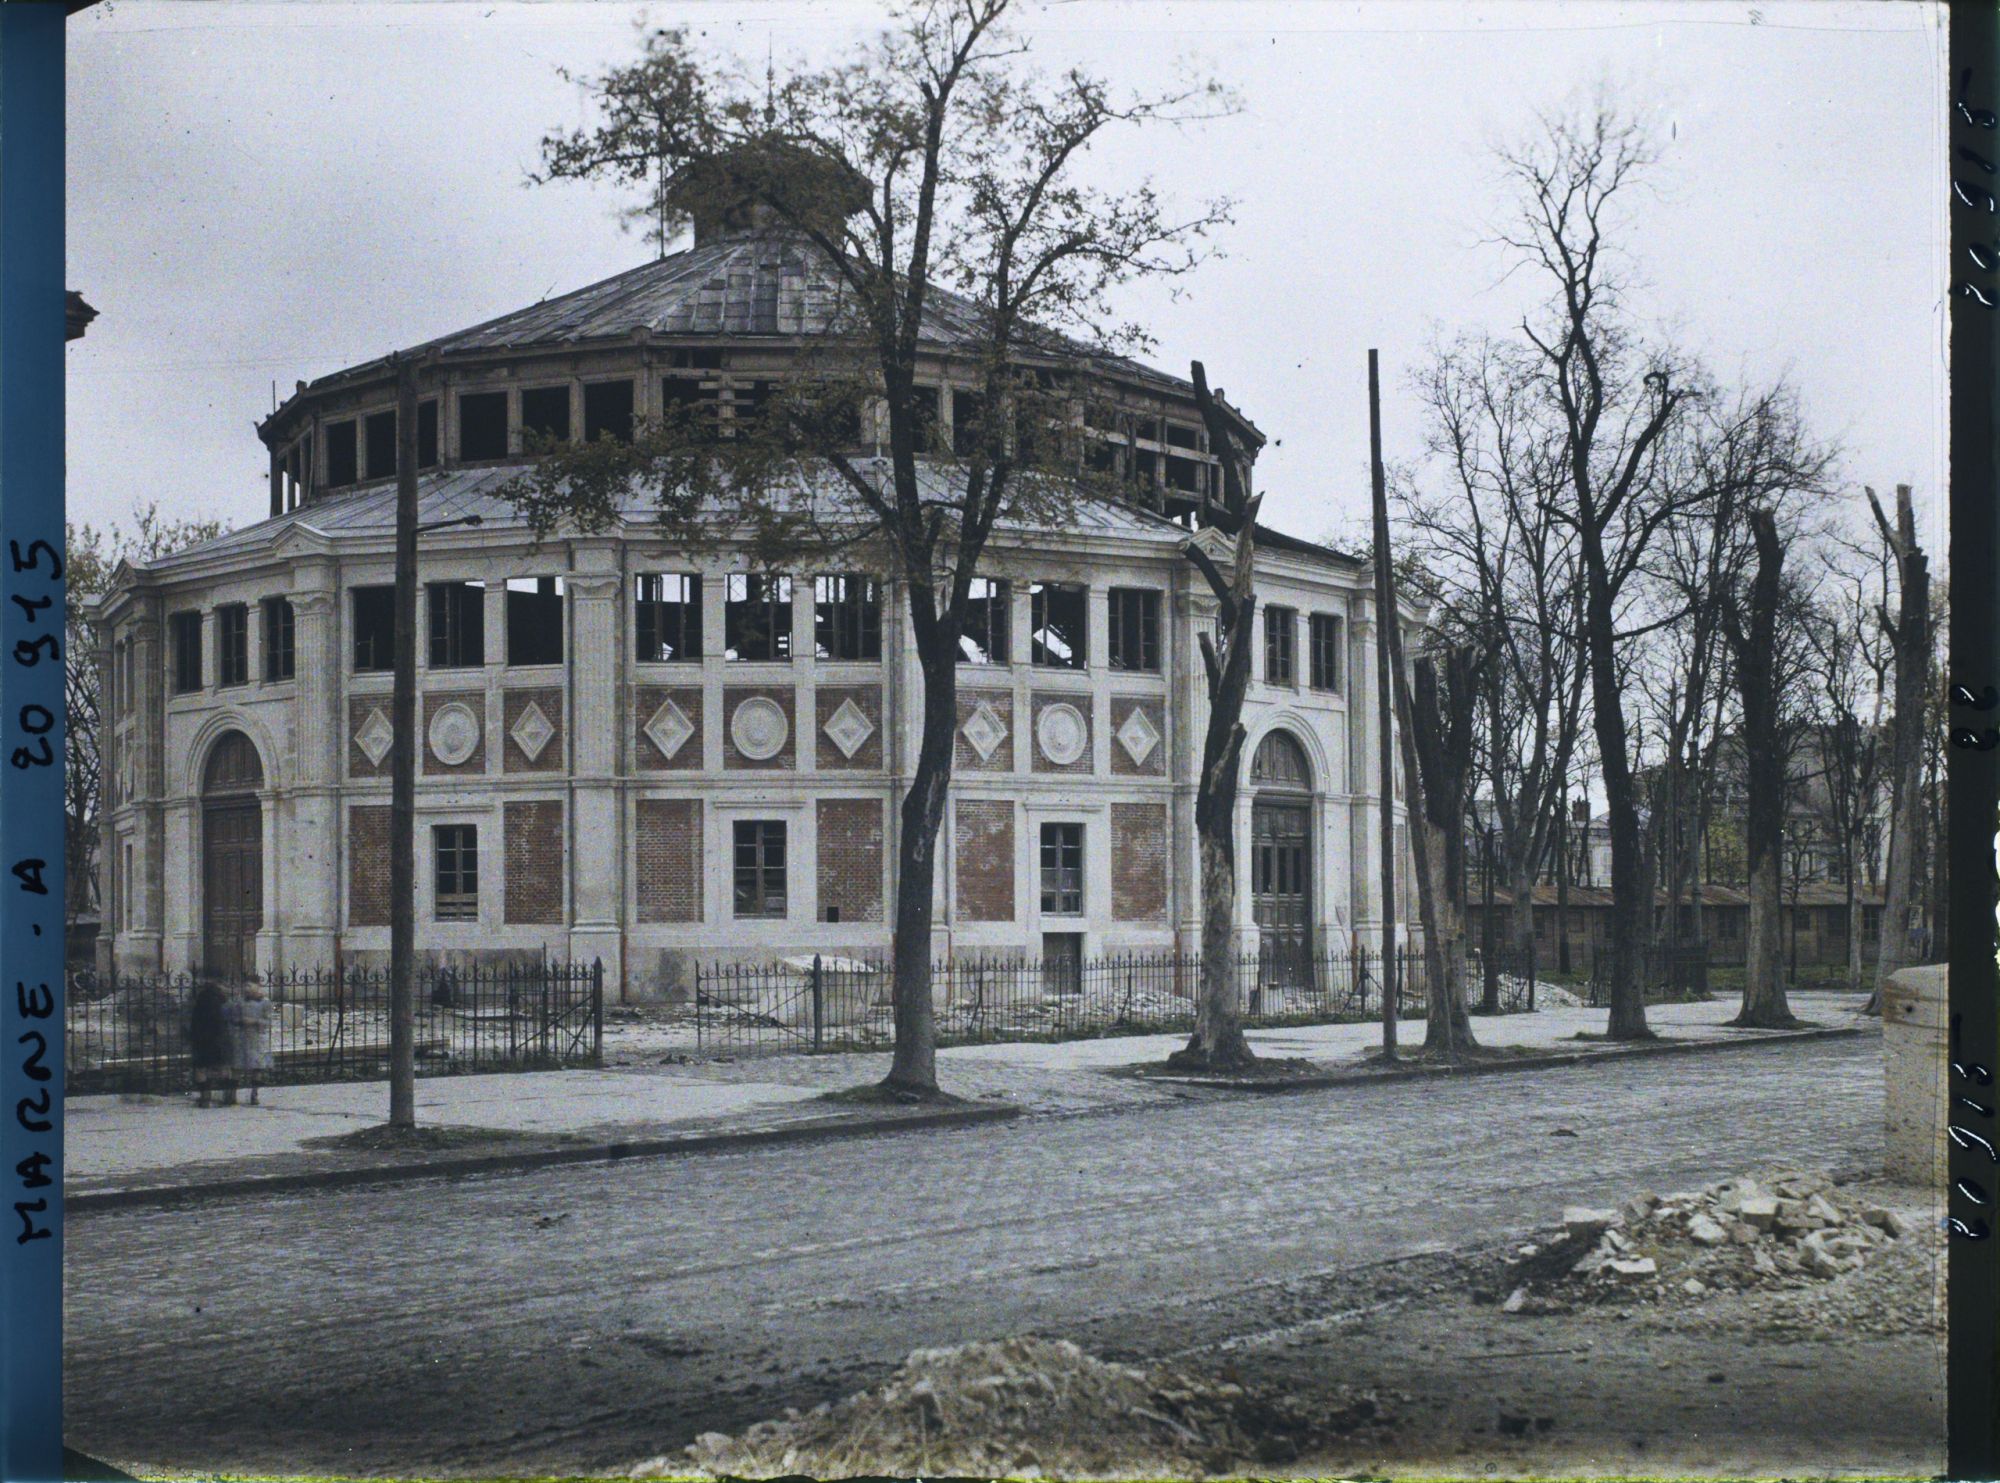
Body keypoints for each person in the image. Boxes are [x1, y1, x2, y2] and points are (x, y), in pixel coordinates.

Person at [188, 980, 231, 1108]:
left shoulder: (200, 999)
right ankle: (227, 1095)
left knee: (201, 1068)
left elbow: (194, 1021)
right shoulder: (223, 1000)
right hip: (219, 1039)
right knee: (222, 1066)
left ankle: (205, 1097)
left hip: (201, 1038)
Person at [231, 981, 273, 1105]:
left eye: (249, 985)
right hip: (241, 1037)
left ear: (257, 986)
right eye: (245, 985)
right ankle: (232, 1095)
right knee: (237, 1066)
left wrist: (255, 1021)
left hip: (257, 1038)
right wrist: (240, 1021)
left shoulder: (265, 1002)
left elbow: (268, 1020)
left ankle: (254, 1094)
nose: (246, 988)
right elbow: (233, 1018)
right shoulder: (239, 1001)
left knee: (257, 1067)